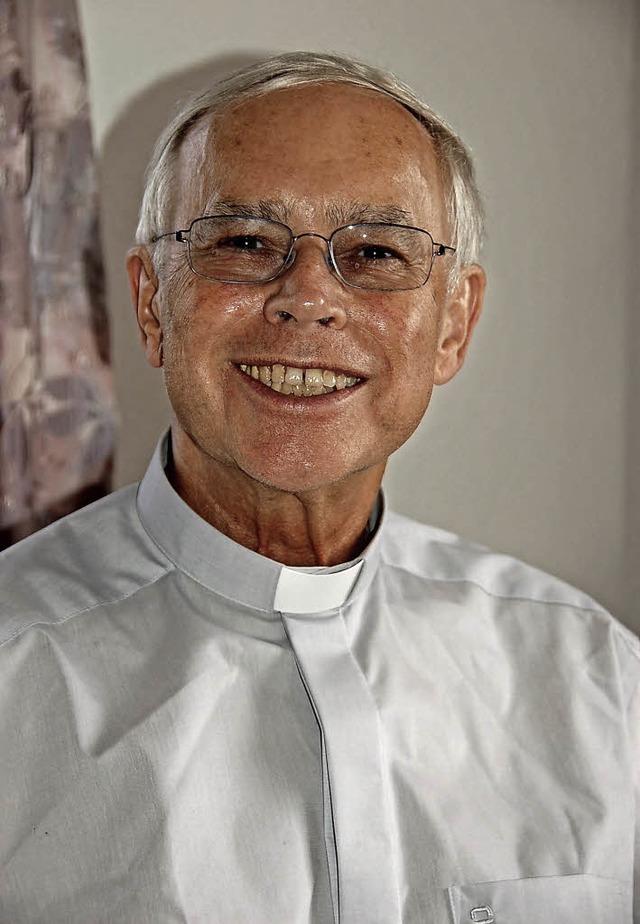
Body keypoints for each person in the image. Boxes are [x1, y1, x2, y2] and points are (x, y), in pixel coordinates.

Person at [0, 51, 637, 924]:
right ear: (153, 304)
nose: (308, 299)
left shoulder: (598, 681)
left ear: (453, 325)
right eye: (246, 243)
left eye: (375, 252)